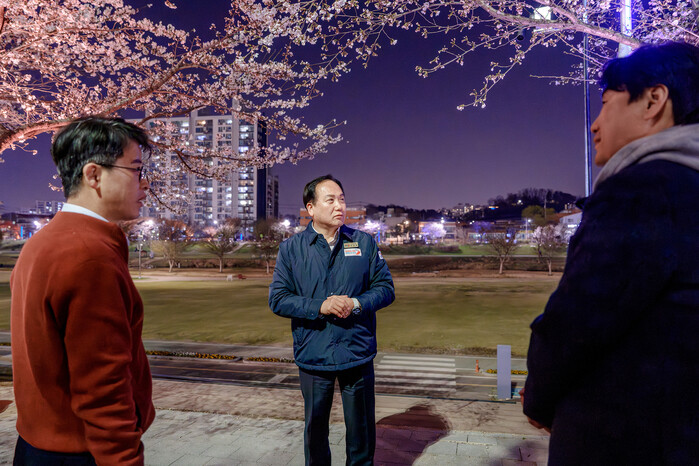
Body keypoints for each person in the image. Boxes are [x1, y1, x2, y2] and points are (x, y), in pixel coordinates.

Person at [522, 42, 699, 464]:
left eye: (605, 104)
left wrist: (540, 398)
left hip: (625, 436)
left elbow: (577, 319)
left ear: (653, 100)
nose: (595, 124)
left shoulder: (643, 190)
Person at [11, 117, 155, 465]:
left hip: (37, 442)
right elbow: (102, 386)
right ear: (94, 175)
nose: (145, 183)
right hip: (80, 451)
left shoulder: (43, 242)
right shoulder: (90, 256)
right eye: (136, 169)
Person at [269, 175, 395, 465]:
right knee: (315, 433)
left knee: (362, 433)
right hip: (314, 354)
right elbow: (278, 299)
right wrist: (320, 306)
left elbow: (385, 289)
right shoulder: (291, 249)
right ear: (311, 208)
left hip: (357, 351)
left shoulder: (363, 243)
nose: (340, 206)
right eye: (331, 200)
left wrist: (355, 303)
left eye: (342, 199)